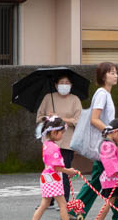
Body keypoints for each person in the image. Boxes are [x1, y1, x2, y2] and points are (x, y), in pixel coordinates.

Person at [76, 63, 118, 220]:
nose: (116, 75)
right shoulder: (102, 94)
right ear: (103, 76)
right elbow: (94, 118)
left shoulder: (106, 94)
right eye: (112, 72)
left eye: (116, 72)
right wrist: (110, 134)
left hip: (108, 145)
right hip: (104, 146)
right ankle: (75, 213)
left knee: (112, 181)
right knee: (98, 181)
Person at [25, 117, 89, 220]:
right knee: (62, 205)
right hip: (53, 179)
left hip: (47, 178)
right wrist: (69, 171)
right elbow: (58, 166)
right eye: (62, 133)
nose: (63, 135)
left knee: (44, 204)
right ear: (54, 132)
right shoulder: (53, 147)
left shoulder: (46, 144)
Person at [35, 73, 83, 208]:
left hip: (67, 141)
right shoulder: (48, 98)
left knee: (65, 170)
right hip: (50, 142)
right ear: (56, 85)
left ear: (71, 85)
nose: (64, 85)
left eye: (67, 83)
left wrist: (60, 118)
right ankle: (48, 200)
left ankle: (64, 201)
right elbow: (39, 117)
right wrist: (48, 118)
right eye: (62, 82)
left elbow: (77, 120)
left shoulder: (75, 100)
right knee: (50, 170)